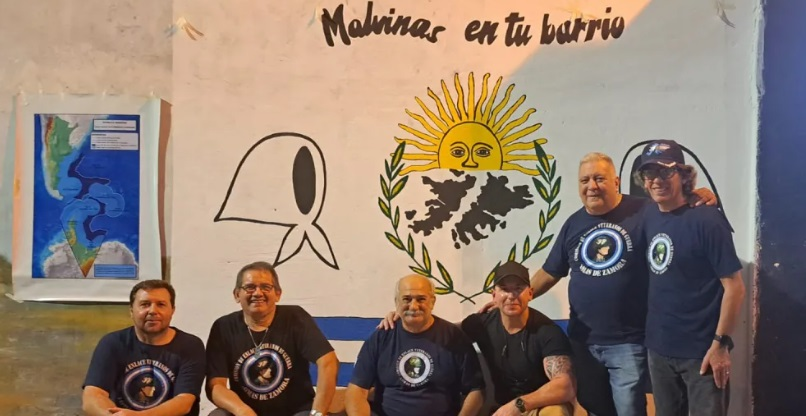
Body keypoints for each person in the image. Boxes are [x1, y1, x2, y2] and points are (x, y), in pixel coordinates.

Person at [485, 152, 718, 416]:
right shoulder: (574, 223)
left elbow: (674, 209)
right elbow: (550, 272)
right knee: (595, 408)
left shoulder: (644, 211)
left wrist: (696, 195)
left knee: (629, 411)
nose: (592, 186)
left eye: (599, 178)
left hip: (628, 342)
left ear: (616, 182)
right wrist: (516, 298)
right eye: (585, 180)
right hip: (583, 342)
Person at [634, 140, 745, 416]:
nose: (656, 180)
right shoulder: (648, 213)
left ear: (683, 176)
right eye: (650, 173)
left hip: (702, 353)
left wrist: (720, 345)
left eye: (665, 172)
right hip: (659, 349)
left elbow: (735, 288)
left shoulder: (708, 221)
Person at [205, 261, 339, 416]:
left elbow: (328, 362)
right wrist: (242, 411)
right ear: (237, 295)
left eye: (265, 287)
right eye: (250, 287)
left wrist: (317, 414)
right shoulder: (223, 327)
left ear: (278, 294)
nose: (257, 293)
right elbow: (216, 386)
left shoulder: (295, 318)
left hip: (296, 411)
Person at [345, 274, 485, 416]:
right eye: (406, 299)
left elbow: (476, 391)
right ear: (396, 302)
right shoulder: (381, 337)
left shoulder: (454, 337)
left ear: (432, 301)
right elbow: (357, 390)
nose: (413, 306)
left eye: (421, 299)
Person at [461, 261, 576, 416]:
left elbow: (566, 386)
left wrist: (518, 405)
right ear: (494, 295)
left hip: (541, 405)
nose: (511, 296)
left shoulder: (547, 331)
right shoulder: (481, 324)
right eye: (504, 289)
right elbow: (446, 334)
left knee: (555, 412)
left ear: (530, 293)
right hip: (501, 408)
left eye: (518, 289)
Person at [82, 279, 206, 416]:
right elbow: (93, 396)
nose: (153, 311)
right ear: (131, 311)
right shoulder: (112, 343)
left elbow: (184, 402)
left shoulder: (190, 345)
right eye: (145, 304)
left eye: (161, 304)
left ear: (172, 310)